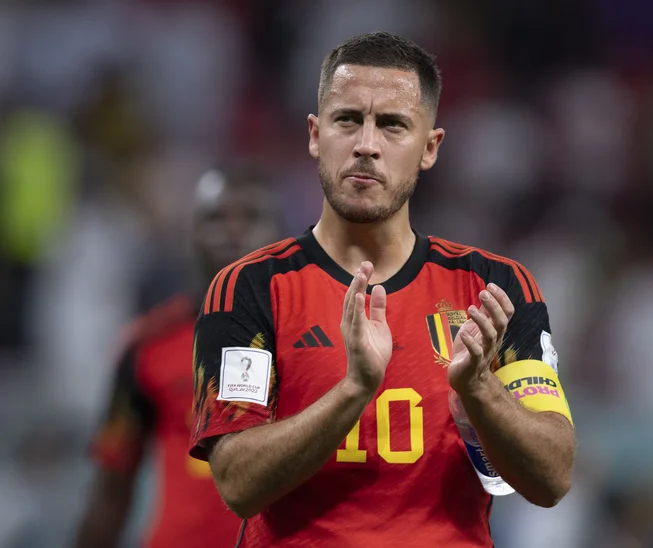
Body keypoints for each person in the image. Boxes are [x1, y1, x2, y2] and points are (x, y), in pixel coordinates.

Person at [190, 32, 576, 547]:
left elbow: (552, 478)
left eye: (392, 124)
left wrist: (480, 389)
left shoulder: (494, 288)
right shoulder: (250, 288)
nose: (366, 144)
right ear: (314, 134)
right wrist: (354, 388)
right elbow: (237, 482)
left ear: (430, 148)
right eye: (347, 119)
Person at [75, 160, 280, 548]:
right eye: (215, 218)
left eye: (250, 216)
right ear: (192, 234)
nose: (233, 231)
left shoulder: (317, 339)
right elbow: (112, 490)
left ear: (282, 235)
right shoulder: (148, 345)